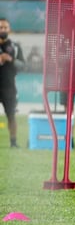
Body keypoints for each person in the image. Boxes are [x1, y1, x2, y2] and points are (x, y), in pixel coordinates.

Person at [0, 18, 25, 148]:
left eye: (5, 27)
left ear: (9, 29)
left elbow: (23, 65)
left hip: (9, 87)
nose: (3, 30)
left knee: (11, 115)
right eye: (0, 28)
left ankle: (13, 142)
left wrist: (10, 59)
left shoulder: (15, 47)